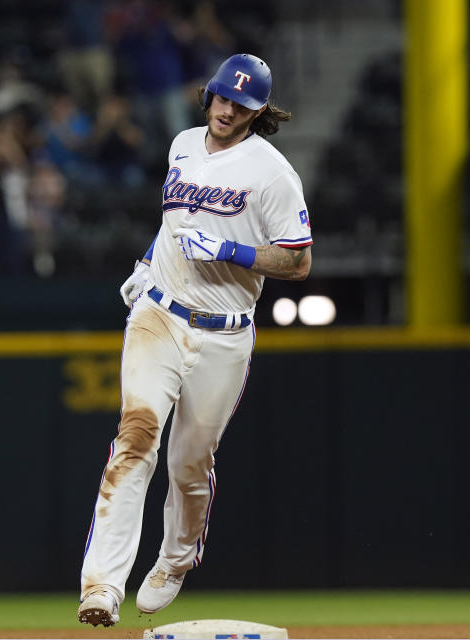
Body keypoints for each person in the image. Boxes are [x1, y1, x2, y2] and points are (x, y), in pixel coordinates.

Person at [78, 53, 312, 628]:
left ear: (258, 112)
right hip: (159, 314)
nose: (227, 110)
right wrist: (150, 261)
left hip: (224, 334)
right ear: (208, 95)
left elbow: (298, 261)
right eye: (222, 98)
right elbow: (175, 226)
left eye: (241, 104)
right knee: (135, 437)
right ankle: (102, 587)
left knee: (189, 463)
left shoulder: (272, 172)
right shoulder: (182, 144)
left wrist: (230, 251)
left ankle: (175, 561)